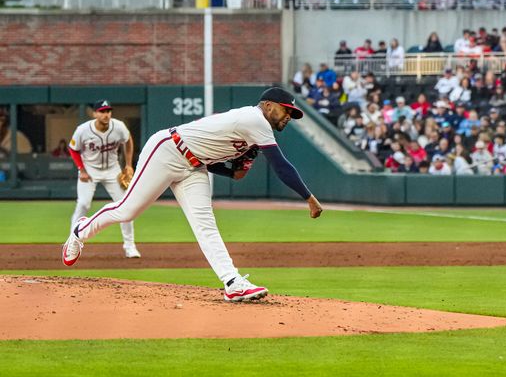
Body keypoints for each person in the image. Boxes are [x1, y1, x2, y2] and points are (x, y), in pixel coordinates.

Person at [61, 88, 324, 302]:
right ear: (268, 105)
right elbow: (281, 166)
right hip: (168, 150)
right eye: (286, 109)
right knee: (128, 210)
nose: (289, 116)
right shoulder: (255, 119)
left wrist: (233, 173)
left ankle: (232, 282)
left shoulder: (253, 131)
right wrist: (308, 198)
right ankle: (79, 232)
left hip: (194, 165)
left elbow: (212, 158)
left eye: (292, 113)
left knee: (206, 226)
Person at [67, 100, 140, 259]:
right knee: (83, 204)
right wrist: (82, 169)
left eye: (108, 111)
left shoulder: (118, 126)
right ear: (94, 114)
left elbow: (128, 141)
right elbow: (73, 149)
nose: (106, 114)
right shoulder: (83, 130)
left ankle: (130, 246)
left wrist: (128, 164)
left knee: (126, 207)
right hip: (90, 170)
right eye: (102, 111)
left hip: (112, 170)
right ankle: (72, 241)